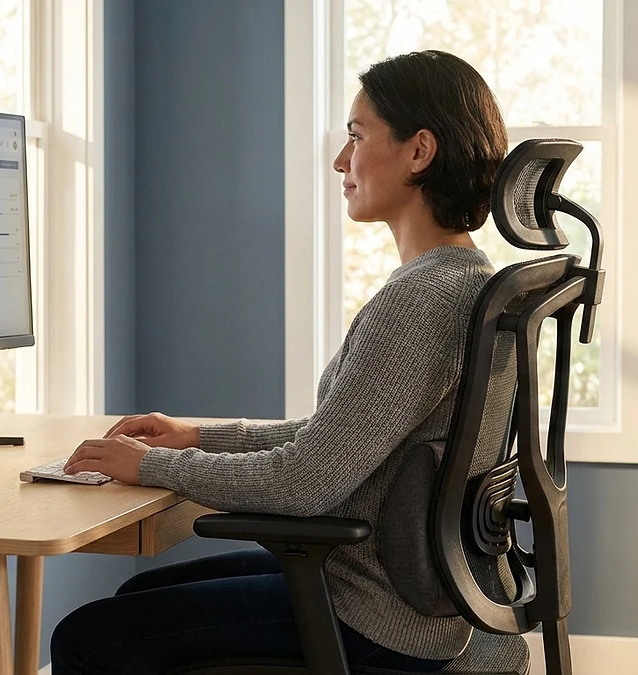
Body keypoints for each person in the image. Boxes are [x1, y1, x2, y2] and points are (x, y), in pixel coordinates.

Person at [50, 49, 508, 674]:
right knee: (136, 597)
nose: (341, 161)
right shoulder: (470, 282)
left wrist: (156, 465)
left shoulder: (421, 301)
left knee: (89, 638)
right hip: (398, 597)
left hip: (373, 617)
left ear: (418, 152)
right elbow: (334, 443)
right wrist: (198, 436)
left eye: (356, 136)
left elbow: (306, 481)